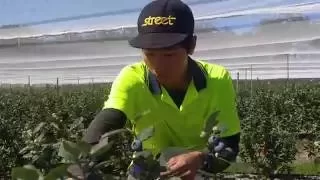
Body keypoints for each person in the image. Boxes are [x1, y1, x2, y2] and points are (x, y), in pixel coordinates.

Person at [83, 0, 241, 179]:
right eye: (149, 54)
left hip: (196, 172)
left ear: (191, 46)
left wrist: (202, 159)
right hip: (145, 171)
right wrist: (79, 166)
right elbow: (108, 122)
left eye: (169, 55)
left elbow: (229, 145)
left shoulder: (216, 79)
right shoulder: (132, 78)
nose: (158, 66)